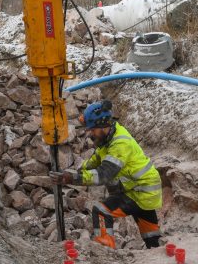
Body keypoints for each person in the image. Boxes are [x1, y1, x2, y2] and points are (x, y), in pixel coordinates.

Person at [50, 100, 162, 249]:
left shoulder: (120, 144)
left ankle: (105, 252)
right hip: (141, 189)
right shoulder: (107, 140)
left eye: (92, 129)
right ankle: (157, 251)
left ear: (103, 125)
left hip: (141, 191)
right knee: (150, 232)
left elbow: (103, 175)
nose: (90, 133)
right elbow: (93, 162)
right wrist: (74, 172)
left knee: (101, 211)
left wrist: (72, 179)